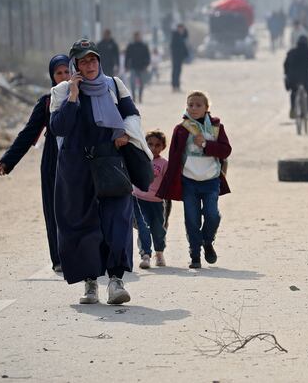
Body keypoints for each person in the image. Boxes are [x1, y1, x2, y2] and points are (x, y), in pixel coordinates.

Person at [50, 39, 149, 305]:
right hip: (76, 168)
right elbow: (59, 127)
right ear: (75, 65)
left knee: (117, 220)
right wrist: (73, 95)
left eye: (93, 59)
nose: (90, 65)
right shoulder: (61, 92)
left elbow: (132, 114)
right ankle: (90, 283)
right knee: (83, 226)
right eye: (83, 61)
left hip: (110, 163)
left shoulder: (114, 85)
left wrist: (125, 133)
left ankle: (116, 281)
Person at [0, 54, 70, 272]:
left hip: (79, 160)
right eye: (59, 73)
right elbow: (28, 134)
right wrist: (7, 161)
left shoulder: (83, 96)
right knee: (53, 209)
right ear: (52, 76)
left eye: (67, 71)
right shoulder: (47, 102)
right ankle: (58, 258)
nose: (63, 77)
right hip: (52, 161)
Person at [157, 91, 232, 269]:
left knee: (212, 215)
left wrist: (206, 145)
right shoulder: (181, 129)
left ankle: (207, 241)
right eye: (190, 105)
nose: (194, 108)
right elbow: (174, 157)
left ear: (207, 108)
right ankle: (195, 255)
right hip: (188, 181)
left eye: (198, 105)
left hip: (211, 180)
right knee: (192, 219)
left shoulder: (216, 127)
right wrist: (168, 183)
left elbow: (226, 151)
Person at [132, 130, 169, 269]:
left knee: (159, 229)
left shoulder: (164, 163)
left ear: (163, 147)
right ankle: (145, 255)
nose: (153, 148)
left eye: (157, 145)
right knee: (143, 226)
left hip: (157, 202)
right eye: (150, 144)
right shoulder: (140, 159)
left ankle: (159, 253)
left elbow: (167, 182)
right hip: (138, 199)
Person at [284, 35, 308, 119]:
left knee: (293, 92)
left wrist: (286, 74)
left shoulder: (291, 52)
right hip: (306, 78)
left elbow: (285, 65)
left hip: (293, 78)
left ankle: (293, 109)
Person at [125, 31, 151, 103]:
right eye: (136, 37)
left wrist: (146, 65)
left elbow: (147, 56)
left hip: (142, 67)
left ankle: (140, 97)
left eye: (138, 36)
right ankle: (133, 97)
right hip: (133, 67)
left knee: (142, 83)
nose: (137, 38)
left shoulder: (144, 46)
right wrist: (126, 66)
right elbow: (127, 56)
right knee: (132, 83)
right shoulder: (131, 46)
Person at [170, 23, 189, 92]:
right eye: (181, 28)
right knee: (175, 71)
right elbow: (173, 47)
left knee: (179, 71)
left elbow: (186, 35)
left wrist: (185, 28)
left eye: (182, 29)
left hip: (180, 57)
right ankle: (174, 85)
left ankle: (177, 85)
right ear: (178, 28)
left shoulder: (181, 36)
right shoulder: (175, 35)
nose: (182, 30)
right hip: (175, 57)